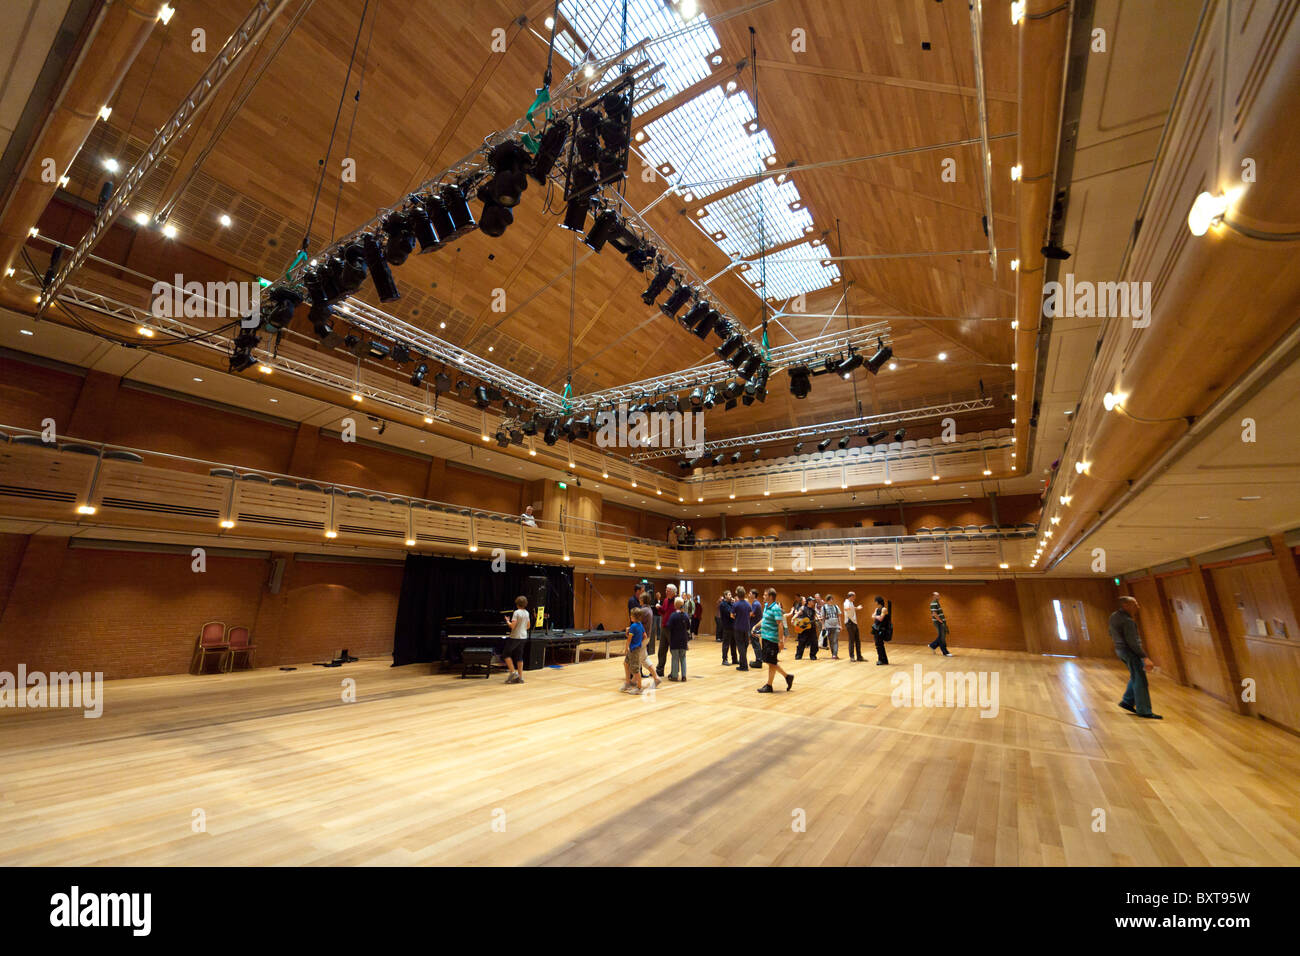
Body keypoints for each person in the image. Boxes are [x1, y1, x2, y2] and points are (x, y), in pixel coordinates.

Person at [1109, 596, 1162, 719]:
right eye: (1134, 604)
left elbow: (1110, 632)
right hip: (1130, 652)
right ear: (1125, 606)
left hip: (1120, 650)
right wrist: (1145, 658)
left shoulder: (1114, 616)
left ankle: (1127, 701)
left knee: (1135, 676)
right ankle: (1144, 710)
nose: (1138, 606)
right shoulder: (1127, 621)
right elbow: (1133, 642)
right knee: (1140, 680)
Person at [752, 587, 793, 693]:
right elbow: (764, 619)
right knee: (771, 662)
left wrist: (781, 641)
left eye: (765, 595)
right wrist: (756, 626)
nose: (763, 596)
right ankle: (787, 677)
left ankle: (769, 685)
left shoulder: (776, 608)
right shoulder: (766, 606)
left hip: (772, 639)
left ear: (770, 596)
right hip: (765, 638)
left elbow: (780, 625)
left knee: (772, 662)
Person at [622, 606, 661, 694]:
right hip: (636, 647)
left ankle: (639, 687)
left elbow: (629, 639)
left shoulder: (633, 626)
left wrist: (626, 647)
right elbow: (645, 636)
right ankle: (628, 682)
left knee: (635, 669)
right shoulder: (640, 625)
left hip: (633, 649)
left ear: (634, 617)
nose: (630, 617)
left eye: (631, 616)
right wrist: (639, 642)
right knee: (626, 663)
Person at [502, 595, 530, 684]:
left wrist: (507, 621)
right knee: (519, 656)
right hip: (523, 637)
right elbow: (528, 626)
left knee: (505, 654)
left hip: (515, 637)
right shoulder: (527, 613)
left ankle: (513, 673)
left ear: (517, 603)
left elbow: (512, 626)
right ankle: (520, 678)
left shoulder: (516, 613)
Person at [667, 596, 692, 681]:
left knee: (675, 658)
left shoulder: (673, 615)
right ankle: (684, 676)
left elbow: (669, 626)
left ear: (675, 605)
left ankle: (674, 676)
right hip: (683, 640)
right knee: (683, 657)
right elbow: (688, 626)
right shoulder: (685, 615)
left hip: (674, 640)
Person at [657, 584, 677, 675]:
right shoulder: (665, 600)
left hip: (672, 629)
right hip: (664, 627)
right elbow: (664, 612)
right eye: (666, 590)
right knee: (661, 650)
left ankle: (674, 671)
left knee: (673, 651)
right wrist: (659, 608)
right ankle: (659, 670)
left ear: (673, 592)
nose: (666, 592)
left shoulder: (677, 601)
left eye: (668, 590)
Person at [730, 587, 752, 670]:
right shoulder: (748, 604)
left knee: (740, 646)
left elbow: (731, 615)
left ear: (738, 595)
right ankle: (743, 663)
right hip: (746, 627)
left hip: (738, 627)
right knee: (745, 645)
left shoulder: (736, 604)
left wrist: (737, 617)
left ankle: (744, 666)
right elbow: (750, 613)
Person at [928, 591, 952, 657]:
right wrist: (940, 621)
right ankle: (945, 652)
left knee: (942, 636)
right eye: (937, 596)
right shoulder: (933, 603)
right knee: (942, 638)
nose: (938, 597)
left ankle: (932, 645)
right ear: (933, 596)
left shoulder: (937, 603)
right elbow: (934, 613)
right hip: (938, 622)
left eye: (939, 595)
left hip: (941, 622)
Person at [871, 596, 892, 665]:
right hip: (876, 629)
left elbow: (881, 619)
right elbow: (872, 616)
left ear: (878, 602)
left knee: (880, 645)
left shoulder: (884, 609)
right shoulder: (877, 609)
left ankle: (882, 660)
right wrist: (877, 616)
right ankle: (882, 660)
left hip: (881, 630)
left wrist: (876, 616)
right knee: (878, 645)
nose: (875, 602)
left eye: (876, 601)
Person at [843, 592, 863, 661]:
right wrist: (856, 608)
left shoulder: (850, 602)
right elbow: (847, 609)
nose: (855, 598)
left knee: (857, 640)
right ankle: (852, 657)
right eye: (854, 596)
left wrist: (856, 608)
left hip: (854, 622)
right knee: (851, 640)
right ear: (850, 597)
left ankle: (859, 656)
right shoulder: (846, 602)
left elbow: (851, 608)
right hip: (849, 623)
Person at [822, 592, 841, 659]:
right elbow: (823, 617)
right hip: (828, 626)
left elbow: (839, 616)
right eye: (830, 599)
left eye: (832, 599)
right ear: (827, 600)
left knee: (835, 640)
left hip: (835, 626)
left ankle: (835, 654)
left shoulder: (836, 607)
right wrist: (823, 626)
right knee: (831, 641)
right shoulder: (824, 607)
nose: (831, 601)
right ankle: (833, 653)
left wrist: (840, 625)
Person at [717, 590, 735, 661]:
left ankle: (734, 659)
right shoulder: (723, 604)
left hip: (733, 626)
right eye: (729, 595)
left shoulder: (731, 603)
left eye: (731, 594)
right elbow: (731, 613)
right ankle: (724, 659)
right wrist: (733, 604)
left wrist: (733, 603)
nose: (731, 596)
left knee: (733, 644)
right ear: (725, 596)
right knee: (726, 644)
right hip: (727, 626)